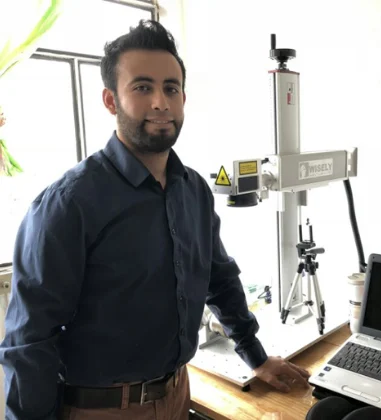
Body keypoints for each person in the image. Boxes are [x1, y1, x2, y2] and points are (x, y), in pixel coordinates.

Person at [0, 20, 310, 420]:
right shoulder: (69, 204)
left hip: (178, 394)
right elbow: (29, 341)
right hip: (103, 410)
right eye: (143, 88)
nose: (161, 102)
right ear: (111, 100)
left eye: (171, 88)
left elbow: (219, 279)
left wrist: (257, 357)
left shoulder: (194, 191)